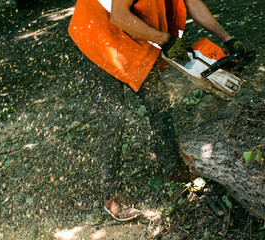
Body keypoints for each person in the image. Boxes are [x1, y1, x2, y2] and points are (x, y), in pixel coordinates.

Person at [68, 0, 249, 220]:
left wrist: (228, 38)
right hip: (98, 33)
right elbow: (118, 16)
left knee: (159, 103)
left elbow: (193, 3)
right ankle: (111, 193)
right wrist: (164, 39)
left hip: (131, 35)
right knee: (113, 118)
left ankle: (173, 169)